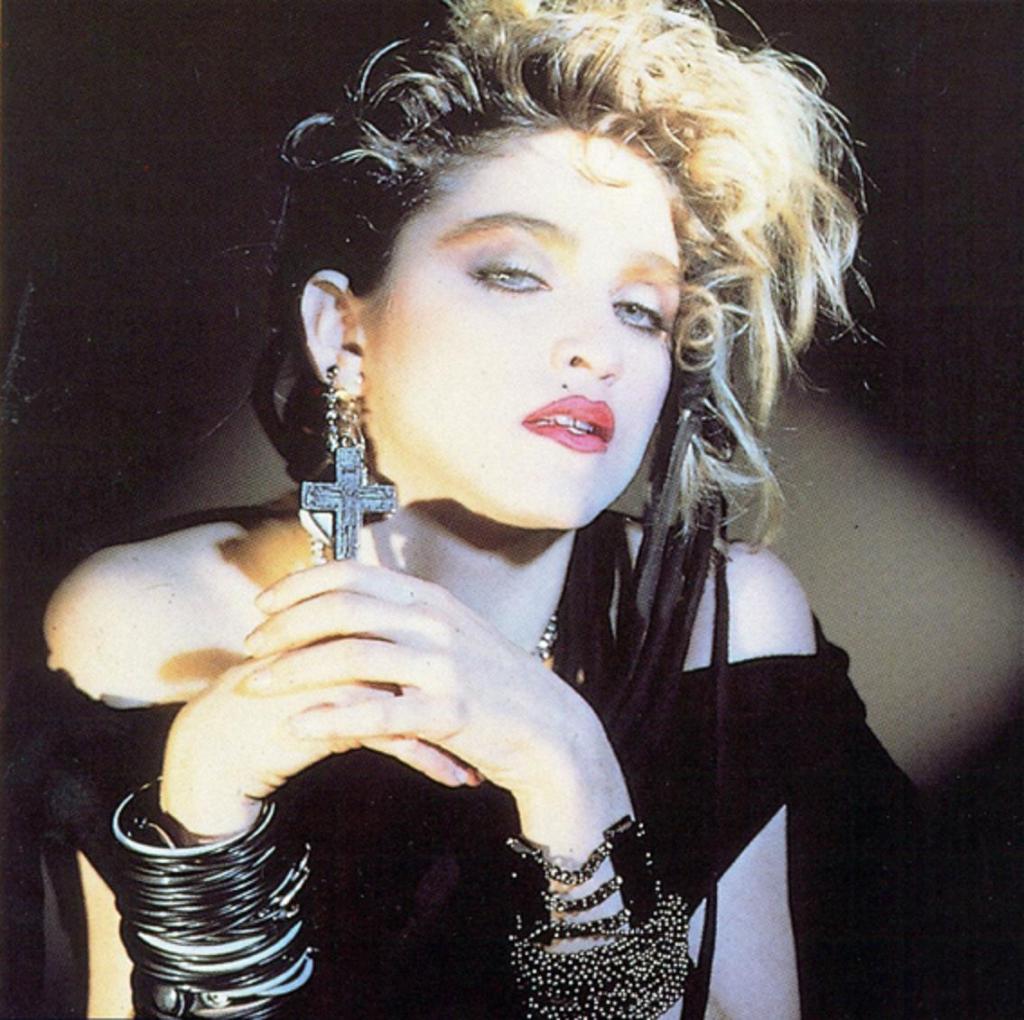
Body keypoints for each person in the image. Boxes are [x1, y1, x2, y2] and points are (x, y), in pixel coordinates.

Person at [18, 1, 916, 1017]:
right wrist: (205, 809)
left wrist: (575, 783)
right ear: (341, 330)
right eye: (514, 274)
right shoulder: (152, 620)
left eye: (640, 310)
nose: (596, 349)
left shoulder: (724, 618)